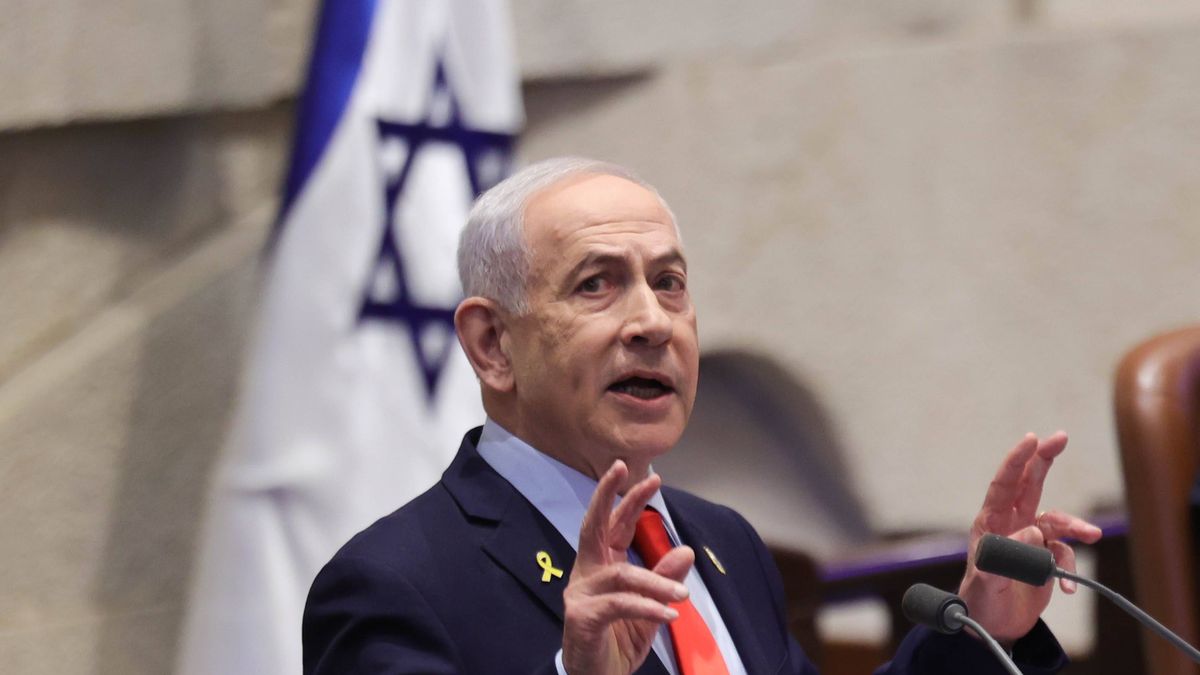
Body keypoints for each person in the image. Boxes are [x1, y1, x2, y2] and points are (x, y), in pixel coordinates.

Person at [302, 157, 1103, 674]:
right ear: (491, 345)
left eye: (670, 282)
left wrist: (982, 621)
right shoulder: (394, 585)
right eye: (596, 284)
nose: (652, 321)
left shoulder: (721, 542)